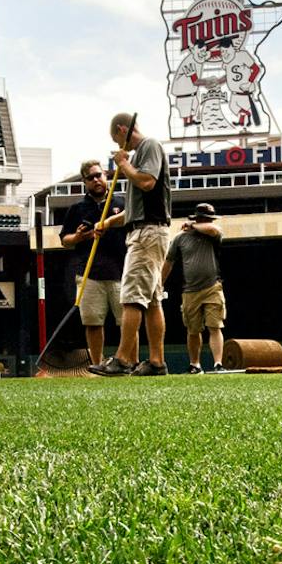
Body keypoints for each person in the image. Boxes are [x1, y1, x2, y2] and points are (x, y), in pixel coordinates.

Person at [89, 112, 172, 376]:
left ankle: (123, 359)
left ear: (123, 130)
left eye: (117, 139)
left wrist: (123, 165)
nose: (119, 147)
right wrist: (108, 223)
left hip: (147, 233)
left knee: (133, 296)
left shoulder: (148, 146)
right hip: (147, 228)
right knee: (152, 299)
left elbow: (147, 182)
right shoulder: (137, 157)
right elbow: (133, 209)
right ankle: (157, 362)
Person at [58, 158, 126, 366]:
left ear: (106, 176)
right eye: (91, 177)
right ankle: (97, 365)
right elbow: (64, 240)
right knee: (93, 322)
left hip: (120, 272)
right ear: (85, 182)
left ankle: (128, 362)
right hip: (89, 273)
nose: (96, 180)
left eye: (99, 175)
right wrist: (78, 237)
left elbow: (133, 219)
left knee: (127, 322)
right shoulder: (77, 209)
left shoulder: (121, 204)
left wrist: (109, 223)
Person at [162, 201, 227, 373]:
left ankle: (218, 364)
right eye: (205, 219)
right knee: (193, 330)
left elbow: (213, 230)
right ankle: (195, 364)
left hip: (212, 287)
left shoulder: (213, 234)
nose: (209, 222)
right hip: (190, 291)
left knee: (215, 326)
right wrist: (159, 284)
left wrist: (193, 225)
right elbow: (169, 262)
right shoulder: (180, 238)